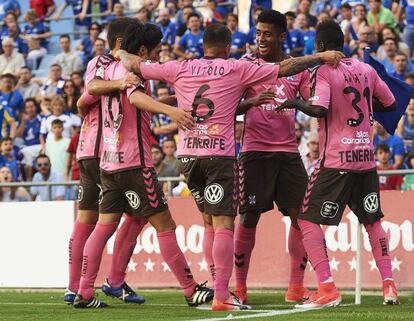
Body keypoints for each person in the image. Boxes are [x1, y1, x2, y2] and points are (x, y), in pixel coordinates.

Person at [118, 21, 344, 311]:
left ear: (202, 46)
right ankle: (223, 295)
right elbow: (286, 68)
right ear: (227, 47)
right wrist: (320, 57)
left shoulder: (180, 67)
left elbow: (138, 64)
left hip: (188, 158)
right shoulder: (236, 67)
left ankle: (220, 288)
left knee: (209, 223)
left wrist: (121, 53)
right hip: (219, 156)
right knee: (225, 224)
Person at [76, 21, 214, 309]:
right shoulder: (133, 70)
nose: (158, 57)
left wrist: (168, 100)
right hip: (135, 164)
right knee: (165, 225)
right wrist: (171, 111)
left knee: (104, 227)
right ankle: (191, 290)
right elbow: (135, 97)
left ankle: (84, 291)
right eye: (156, 52)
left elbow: (99, 92)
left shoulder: (108, 67)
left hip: (109, 163)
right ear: (141, 50)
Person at [276, 20, 399, 308]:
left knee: (306, 219)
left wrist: (295, 103)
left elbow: (318, 108)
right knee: (373, 221)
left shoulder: (323, 70)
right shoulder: (367, 69)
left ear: (319, 47)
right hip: (365, 158)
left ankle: (327, 287)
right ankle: (389, 285)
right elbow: (391, 103)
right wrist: (366, 109)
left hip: (335, 160)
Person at [64, 17, 147, 307]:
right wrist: (120, 83)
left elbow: (82, 99)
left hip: (88, 150)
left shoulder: (98, 63)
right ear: (123, 43)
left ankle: (74, 287)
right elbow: (93, 88)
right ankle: (114, 280)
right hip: (106, 152)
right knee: (136, 215)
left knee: (86, 220)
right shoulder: (110, 63)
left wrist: (83, 102)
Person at [234, 9, 313, 305]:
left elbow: (309, 103)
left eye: (267, 34)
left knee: (302, 218)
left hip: (289, 154)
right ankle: (240, 287)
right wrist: (251, 101)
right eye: (258, 33)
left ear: (281, 36)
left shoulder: (296, 67)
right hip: (255, 152)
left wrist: (301, 103)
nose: (261, 39)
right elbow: (230, 105)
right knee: (249, 217)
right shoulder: (245, 65)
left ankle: (295, 286)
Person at [15, 98, 42, 181]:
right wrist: (23, 122)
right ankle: (25, 180)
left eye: (32, 107)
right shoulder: (23, 121)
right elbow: (18, 135)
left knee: (25, 152)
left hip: (39, 146)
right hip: (28, 147)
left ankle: (28, 181)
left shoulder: (41, 118)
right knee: (22, 153)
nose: (30, 109)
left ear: (36, 107)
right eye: (28, 107)